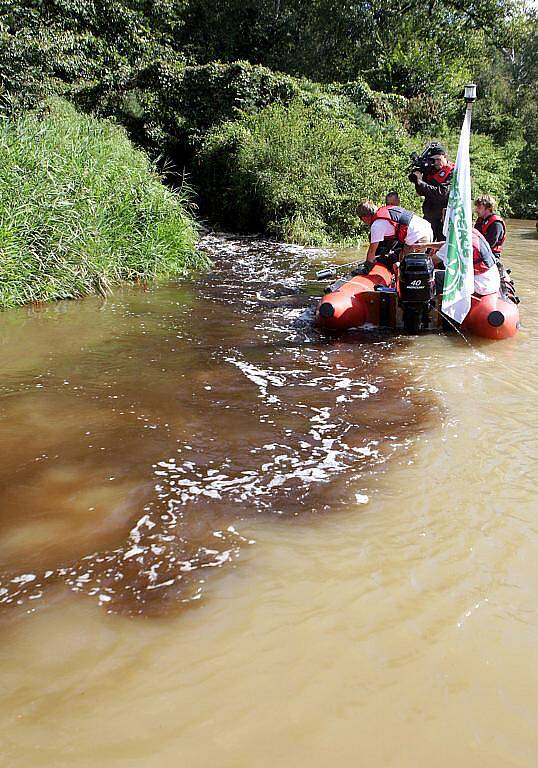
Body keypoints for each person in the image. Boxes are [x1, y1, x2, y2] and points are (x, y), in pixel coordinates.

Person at [357, 200, 433, 266]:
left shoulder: (377, 225)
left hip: (418, 236)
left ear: (364, 218)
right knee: (402, 260)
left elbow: (371, 251)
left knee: (408, 268)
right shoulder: (385, 212)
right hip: (425, 228)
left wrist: (367, 265)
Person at [432, 227, 500, 296]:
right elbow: (446, 244)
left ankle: (436, 304)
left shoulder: (454, 242)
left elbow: (433, 261)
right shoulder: (471, 233)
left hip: (480, 287)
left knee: (436, 276)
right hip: (493, 281)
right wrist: (425, 245)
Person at [409, 145, 454, 241]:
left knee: (442, 246)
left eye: (438, 159)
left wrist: (421, 183)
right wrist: (418, 178)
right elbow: (421, 192)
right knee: (426, 243)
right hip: (430, 215)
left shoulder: (451, 172)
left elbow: (441, 193)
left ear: (445, 156)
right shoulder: (431, 170)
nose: (436, 163)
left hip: (443, 217)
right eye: (433, 160)